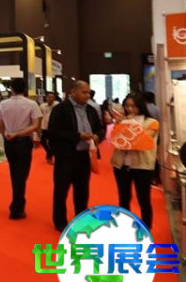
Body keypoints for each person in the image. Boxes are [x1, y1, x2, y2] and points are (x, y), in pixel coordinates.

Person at [48, 80, 105, 232]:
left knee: (82, 191)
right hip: (66, 156)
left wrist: (97, 136)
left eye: (88, 92)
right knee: (61, 190)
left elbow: (100, 129)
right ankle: (60, 221)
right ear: (73, 92)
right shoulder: (61, 109)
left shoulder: (91, 110)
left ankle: (81, 219)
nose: (87, 95)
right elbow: (54, 132)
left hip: (84, 156)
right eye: (84, 92)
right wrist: (78, 136)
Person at [110, 93, 159, 228]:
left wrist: (128, 124)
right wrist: (121, 124)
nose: (130, 109)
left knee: (143, 199)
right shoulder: (121, 121)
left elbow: (140, 140)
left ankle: (146, 227)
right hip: (121, 164)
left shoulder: (152, 123)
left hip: (142, 166)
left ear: (140, 106)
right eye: (127, 106)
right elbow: (115, 140)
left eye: (133, 106)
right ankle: (124, 226)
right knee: (124, 197)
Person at [0, 78, 41, 220]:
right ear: (25, 89)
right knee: (21, 176)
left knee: (14, 173)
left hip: (9, 142)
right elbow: (35, 125)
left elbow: (0, 123)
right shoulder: (31, 104)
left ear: (12, 89)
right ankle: (16, 207)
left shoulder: (3, 104)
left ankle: (17, 205)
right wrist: (19, 134)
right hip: (23, 143)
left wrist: (6, 136)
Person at [39, 92, 59, 164]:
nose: (51, 99)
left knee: (53, 142)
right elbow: (40, 116)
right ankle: (49, 152)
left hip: (54, 127)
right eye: (49, 97)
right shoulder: (42, 106)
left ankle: (49, 156)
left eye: (52, 97)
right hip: (44, 126)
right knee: (42, 141)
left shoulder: (57, 105)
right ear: (46, 98)